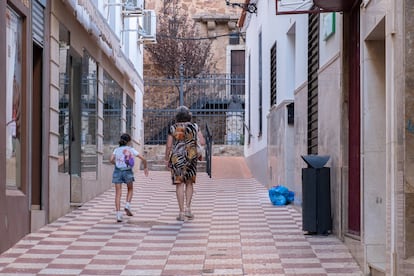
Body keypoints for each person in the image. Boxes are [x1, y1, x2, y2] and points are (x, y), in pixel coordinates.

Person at [165, 106, 206, 221]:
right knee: (189, 183)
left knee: (179, 184)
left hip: (177, 158)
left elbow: (169, 145)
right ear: (188, 115)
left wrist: (166, 158)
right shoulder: (195, 126)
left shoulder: (173, 128)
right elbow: (202, 141)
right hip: (191, 157)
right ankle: (188, 209)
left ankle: (181, 213)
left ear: (177, 116)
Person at [110, 133, 149, 222]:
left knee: (118, 193)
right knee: (130, 189)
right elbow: (143, 159)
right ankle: (127, 205)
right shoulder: (131, 149)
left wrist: (116, 164)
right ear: (129, 141)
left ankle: (118, 215)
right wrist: (145, 167)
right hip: (127, 171)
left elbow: (111, 159)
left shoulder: (116, 150)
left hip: (117, 171)